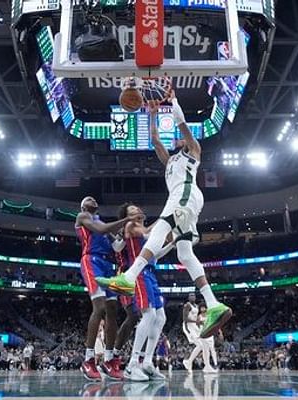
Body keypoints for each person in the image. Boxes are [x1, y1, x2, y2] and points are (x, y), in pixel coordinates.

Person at [98, 95, 232, 339]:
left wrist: (173, 100)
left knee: (160, 226)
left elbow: (182, 125)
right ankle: (213, 305)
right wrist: (151, 114)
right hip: (184, 198)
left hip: (186, 193)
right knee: (184, 253)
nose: (179, 137)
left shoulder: (193, 150)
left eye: (182, 136)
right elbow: (155, 140)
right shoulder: (171, 160)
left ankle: (129, 276)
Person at [75, 196, 135, 380]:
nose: (92, 199)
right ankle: (88, 359)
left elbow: (117, 247)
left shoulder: (101, 221)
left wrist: (128, 232)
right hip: (91, 261)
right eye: (88, 199)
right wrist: (126, 219)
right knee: (99, 307)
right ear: (84, 205)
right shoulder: (83, 217)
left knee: (113, 311)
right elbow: (101, 229)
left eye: (94, 199)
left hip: (108, 266)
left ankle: (109, 360)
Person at [117, 203, 175, 381]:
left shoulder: (144, 229)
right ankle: (133, 364)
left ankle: (148, 362)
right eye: (132, 210)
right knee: (148, 315)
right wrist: (163, 221)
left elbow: (155, 254)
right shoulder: (130, 226)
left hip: (151, 272)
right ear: (127, 215)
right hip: (139, 273)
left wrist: (172, 243)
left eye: (137, 208)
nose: (137, 210)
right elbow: (149, 234)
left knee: (161, 317)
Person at [181, 293, 210, 372]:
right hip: (188, 326)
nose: (192, 297)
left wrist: (200, 322)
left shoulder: (197, 306)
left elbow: (196, 318)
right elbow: (185, 319)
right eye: (191, 296)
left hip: (195, 326)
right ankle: (188, 362)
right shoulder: (187, 305)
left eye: (194, 295)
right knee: (199, 345)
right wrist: (196, 322)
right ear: (188, 297)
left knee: (204, 345)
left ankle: (205, 365)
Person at [197, 304, 219, 373]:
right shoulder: (199, 316)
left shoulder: (209, 315)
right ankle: (207, 365)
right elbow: (197, 324)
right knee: (205, 351)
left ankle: (215, 364)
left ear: (206, 308)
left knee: (212, 349)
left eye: (204, 308)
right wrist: (200, 323)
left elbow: (213, 323)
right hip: (202, 334)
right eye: (201, 308)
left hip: (209, 334)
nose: (202, 309)